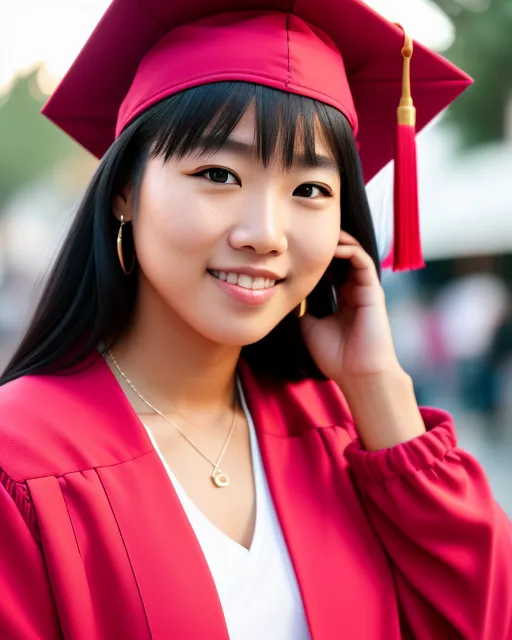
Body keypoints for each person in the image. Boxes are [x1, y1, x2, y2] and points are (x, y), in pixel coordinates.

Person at [0, 1, 511, 638]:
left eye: (310, 190)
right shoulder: (19, 463)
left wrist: (379, 388)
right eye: (218, 173)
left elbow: (484, 620)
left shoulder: (342, 435)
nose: (265, 235)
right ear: (125, 189)